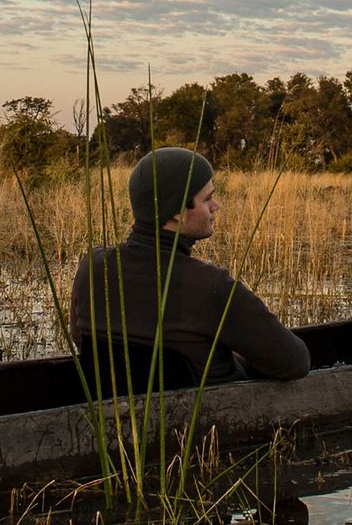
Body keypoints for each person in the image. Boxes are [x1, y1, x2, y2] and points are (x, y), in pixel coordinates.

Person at [69, 147, 312, 393]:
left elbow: (81, 339)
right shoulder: (211, 286)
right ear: (177, 212)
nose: (215, 206)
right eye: (207, 199)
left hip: (116, 415)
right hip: (209, 421)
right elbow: (294, 362)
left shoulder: (92, 265)